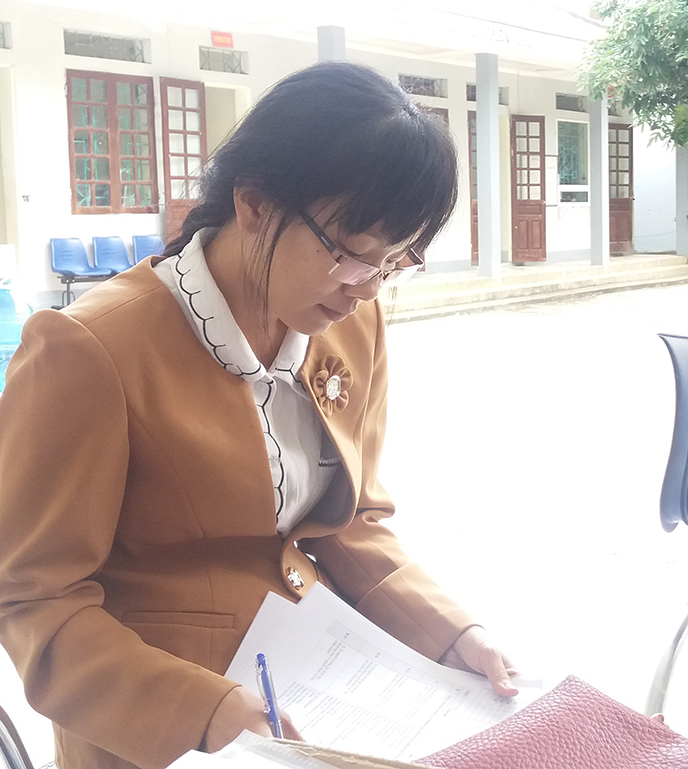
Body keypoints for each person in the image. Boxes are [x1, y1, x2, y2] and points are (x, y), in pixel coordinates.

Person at [0, 62, 517, 769]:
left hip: (318, 698)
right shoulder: (90, 351)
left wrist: (454, 634)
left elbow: (352, 524)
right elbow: (32, 599)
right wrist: (205, 711)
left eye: (395, 263)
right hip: (161, 732)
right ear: (254, 204)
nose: (365, 289)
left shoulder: (348, 328)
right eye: (349, 253)